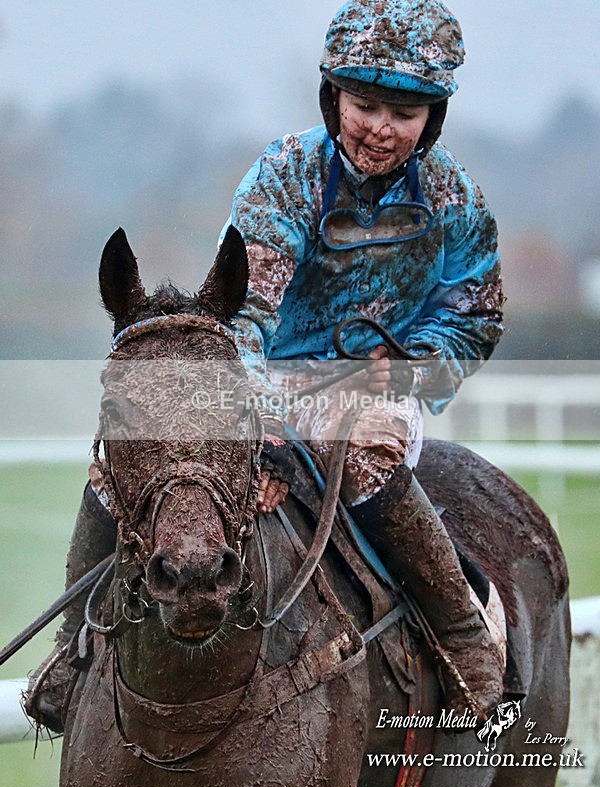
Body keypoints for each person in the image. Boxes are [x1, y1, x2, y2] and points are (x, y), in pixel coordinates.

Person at [26, 0, 504, 732]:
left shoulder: (456, 200)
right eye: (365, 103)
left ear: (433, 118)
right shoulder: (283, 178)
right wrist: (267, 429)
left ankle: (464, 637)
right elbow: (241, 316)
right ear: (333, 96)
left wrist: (413, 361)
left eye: (404, 113)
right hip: (265, 381)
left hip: (379, 389)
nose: (381, 127)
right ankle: (69, 651)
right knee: (116, 467)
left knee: (372, 459)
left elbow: (476, 311)